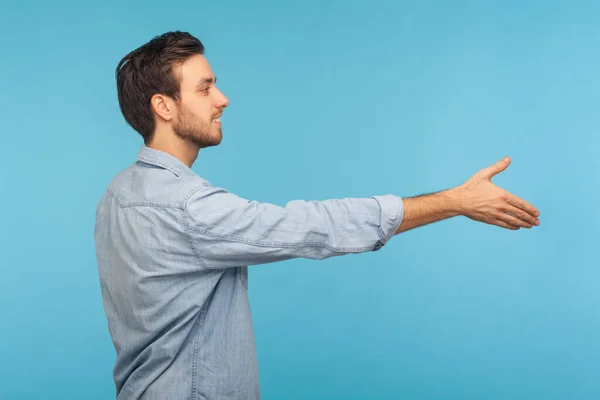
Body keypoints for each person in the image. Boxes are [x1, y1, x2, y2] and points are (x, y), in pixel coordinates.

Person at [94, 30, 540, 400]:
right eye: (205, 88)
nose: (222, 99)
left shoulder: (116, 195)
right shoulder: (187, 207)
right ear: (164, 106)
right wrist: (455, 201)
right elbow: (311, 227)